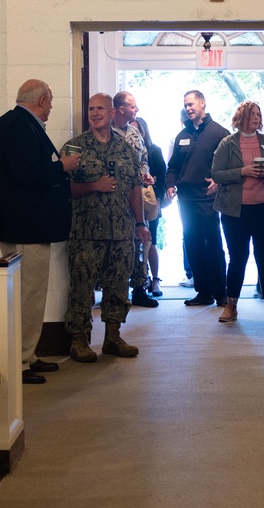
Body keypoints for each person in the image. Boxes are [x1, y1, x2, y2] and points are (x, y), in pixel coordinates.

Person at [0, 79, 80, 385]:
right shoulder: (20, 126)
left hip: (19, 222)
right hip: (27, 225)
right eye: (51, 102)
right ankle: (19, 361)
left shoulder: (10, 123)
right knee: (29, 294)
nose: (51, 108)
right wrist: (63, 165)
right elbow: (27, 173)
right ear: (42, 100)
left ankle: (27, 354)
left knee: (22, 293)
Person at [63, 93, 150, 362]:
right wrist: (93, 186)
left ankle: (112, 337)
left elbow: (135, 187)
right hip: (86, 232)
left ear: (112, 113)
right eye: (91, 108)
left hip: (121, 231)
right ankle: (79, 340)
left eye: (101, 108)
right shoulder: (75, 147)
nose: (95, 113)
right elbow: (62, 190)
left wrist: (140, 223)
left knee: (118, 286)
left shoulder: (126, 148)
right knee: (82, 286)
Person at [211, 101, 264, 324]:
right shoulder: (227, 144)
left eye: (258, 114)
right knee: (237, 258)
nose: (257, 117)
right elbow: (216, 174)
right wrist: (242, 171)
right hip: (235, 211)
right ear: (241, 117)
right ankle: (231, 305)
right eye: (252, 114)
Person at [166, 90, 231, 307]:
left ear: (202, 103)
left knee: (213, 244)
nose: (188, 108)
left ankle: (221, 293)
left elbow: (231, 165)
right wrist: (170, 185)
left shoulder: (220, 133)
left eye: (191, 104)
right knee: (192, 245)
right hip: (186, 200)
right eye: (185, 105)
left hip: (208, 199)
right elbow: (173, 166)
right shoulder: (181, 135)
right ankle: (203, 292)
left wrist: (220, 180)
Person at [112, 91, 159, 308]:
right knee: (115, 249)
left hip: (136, 199)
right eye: (133, 106)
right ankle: (116, 293)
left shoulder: (134, 133)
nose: (137, 109)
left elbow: (143, 160)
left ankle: (140, 289)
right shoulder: (105, 132)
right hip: (112, 201)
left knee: (140, 243)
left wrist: (145, 173)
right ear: (122, 109)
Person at [132, 117, 167, 297]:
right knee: (133, 244)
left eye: (137, 130)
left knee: (150, 240)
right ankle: (137, 280)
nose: (134, 133)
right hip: (132, 203)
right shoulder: (123, 150)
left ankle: (155, 280)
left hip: (151, 202)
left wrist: (159, 199)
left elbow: (163, 176)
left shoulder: (154, 151)